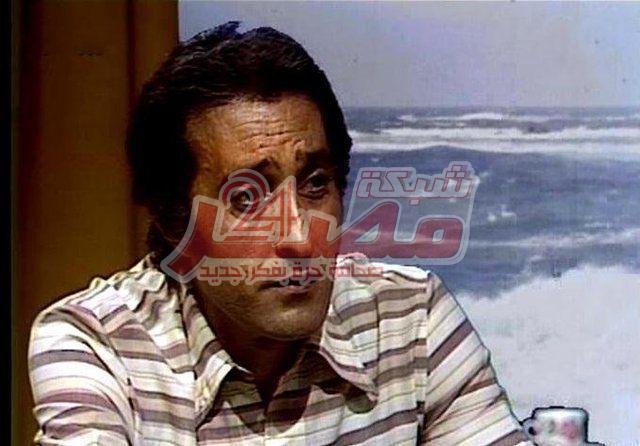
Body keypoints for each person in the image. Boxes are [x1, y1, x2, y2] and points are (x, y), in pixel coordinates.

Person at [28, 22, 531, 445]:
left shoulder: (411, 318)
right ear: (174, 221)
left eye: (315, 184)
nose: (299, 237)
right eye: (246, 199)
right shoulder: (98, 343)